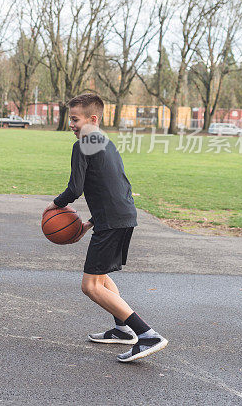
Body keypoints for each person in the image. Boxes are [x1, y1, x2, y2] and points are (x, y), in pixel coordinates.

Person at [43, 94, 168, 362]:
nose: (71, 125)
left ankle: (147, 335)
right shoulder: (105, 143)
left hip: (112, 220)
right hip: (122, 216)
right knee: (101, 277)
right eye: (70, 119)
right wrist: (90, 222)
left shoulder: (82, 146)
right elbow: (114, 185)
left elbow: (75, 189)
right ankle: (122, 330)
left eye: (75, 119)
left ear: (93, 119)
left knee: (90, 286)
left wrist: (54, 205)